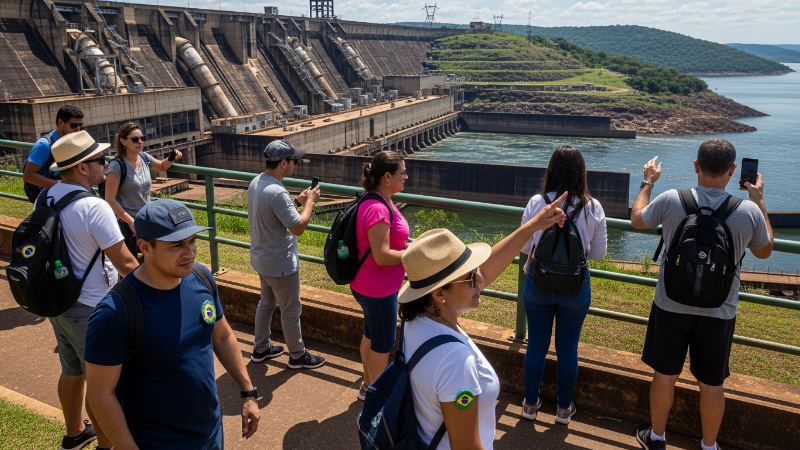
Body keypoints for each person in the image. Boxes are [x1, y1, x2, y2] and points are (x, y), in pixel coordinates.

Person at [630, 139, 773, 450]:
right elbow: (765, 251)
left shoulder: (671, 200)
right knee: (711, 383)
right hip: (719, 311)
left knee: (664, 375)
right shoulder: (747, 211)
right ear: (733, 170)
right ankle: (709, 446)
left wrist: (647, 182)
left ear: (696, 165)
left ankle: (656, 438)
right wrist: (759, 200)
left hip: (670, 304)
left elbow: (637, 219)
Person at [84, 200, 260, 449]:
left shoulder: (201, 278)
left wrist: (248, 392)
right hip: (157, 442)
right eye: (176, 245)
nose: (189, 252)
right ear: (145, 247)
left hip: (210, 433)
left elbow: (221, 336)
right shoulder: (115, 312)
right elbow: (101, 394)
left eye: (192, 241)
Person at [397, 194, 567, 450]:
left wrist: (533, 226)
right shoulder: (455, 362)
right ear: (439, 293)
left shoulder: (417, 321)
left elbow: (485, 272)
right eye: (469, 277)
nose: (479, 279)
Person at [42, 130, 139, 450]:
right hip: (93, 307)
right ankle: (106, 445)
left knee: (72, 370)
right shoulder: (94, 207)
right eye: (99, 160)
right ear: (83, 168)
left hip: (59, 299)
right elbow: (126, 263)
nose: (106, 164)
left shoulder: (48, 195)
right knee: (104, 388)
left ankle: (74, 433)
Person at [519, 145, 608, 424]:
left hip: (539, 282)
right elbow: (598, 254)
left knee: (535, 345)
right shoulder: (593, 207)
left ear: (551, 170)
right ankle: (562, 409)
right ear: (582, 172)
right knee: (568, 348)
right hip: (575, 287)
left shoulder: (538, 203)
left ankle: (530, 406)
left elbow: (524, 245)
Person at [248, 140, 325, 369]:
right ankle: (297, 355)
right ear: (283, 163)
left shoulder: (257, 182)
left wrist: (297, 201)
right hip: (280, 263)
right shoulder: (277, 192)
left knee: (266, 303)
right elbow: (298, 227)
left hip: (262, 259)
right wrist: (310, 202)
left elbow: (274, 212)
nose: (295, 164)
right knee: (291, 311)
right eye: (293, 161)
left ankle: (260, 349)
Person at [350, 151, 409, 400]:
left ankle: (367, 386)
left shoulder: (378, 198)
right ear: (387, 177)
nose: (406, 177)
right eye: (402, 173)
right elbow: (382, 255)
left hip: (368, 284)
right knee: (383, 345)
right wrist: (412, 253)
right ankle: (378, 398)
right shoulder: (377, 208)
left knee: (371, 334)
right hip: (378, 289)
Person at [103, 123, 182, 256]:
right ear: (123, 141)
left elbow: (162, 166)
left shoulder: (144, 158)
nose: (140, 142)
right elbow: (110, 199)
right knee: (130, 264)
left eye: (142, 138)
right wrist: (130, 221)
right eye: (135, 139)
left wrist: (172, 157)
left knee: (153, 257)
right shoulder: (117, 166)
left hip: (145, 218)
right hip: (127, 224)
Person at [22, 104, 84, 200]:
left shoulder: (71, 141)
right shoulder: (44, 145)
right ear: (60, 123)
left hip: (66, 196)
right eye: (73, 125)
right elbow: (28, 176)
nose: (78, 129)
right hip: (49, 200)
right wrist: (61, 185)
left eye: (80, 125)